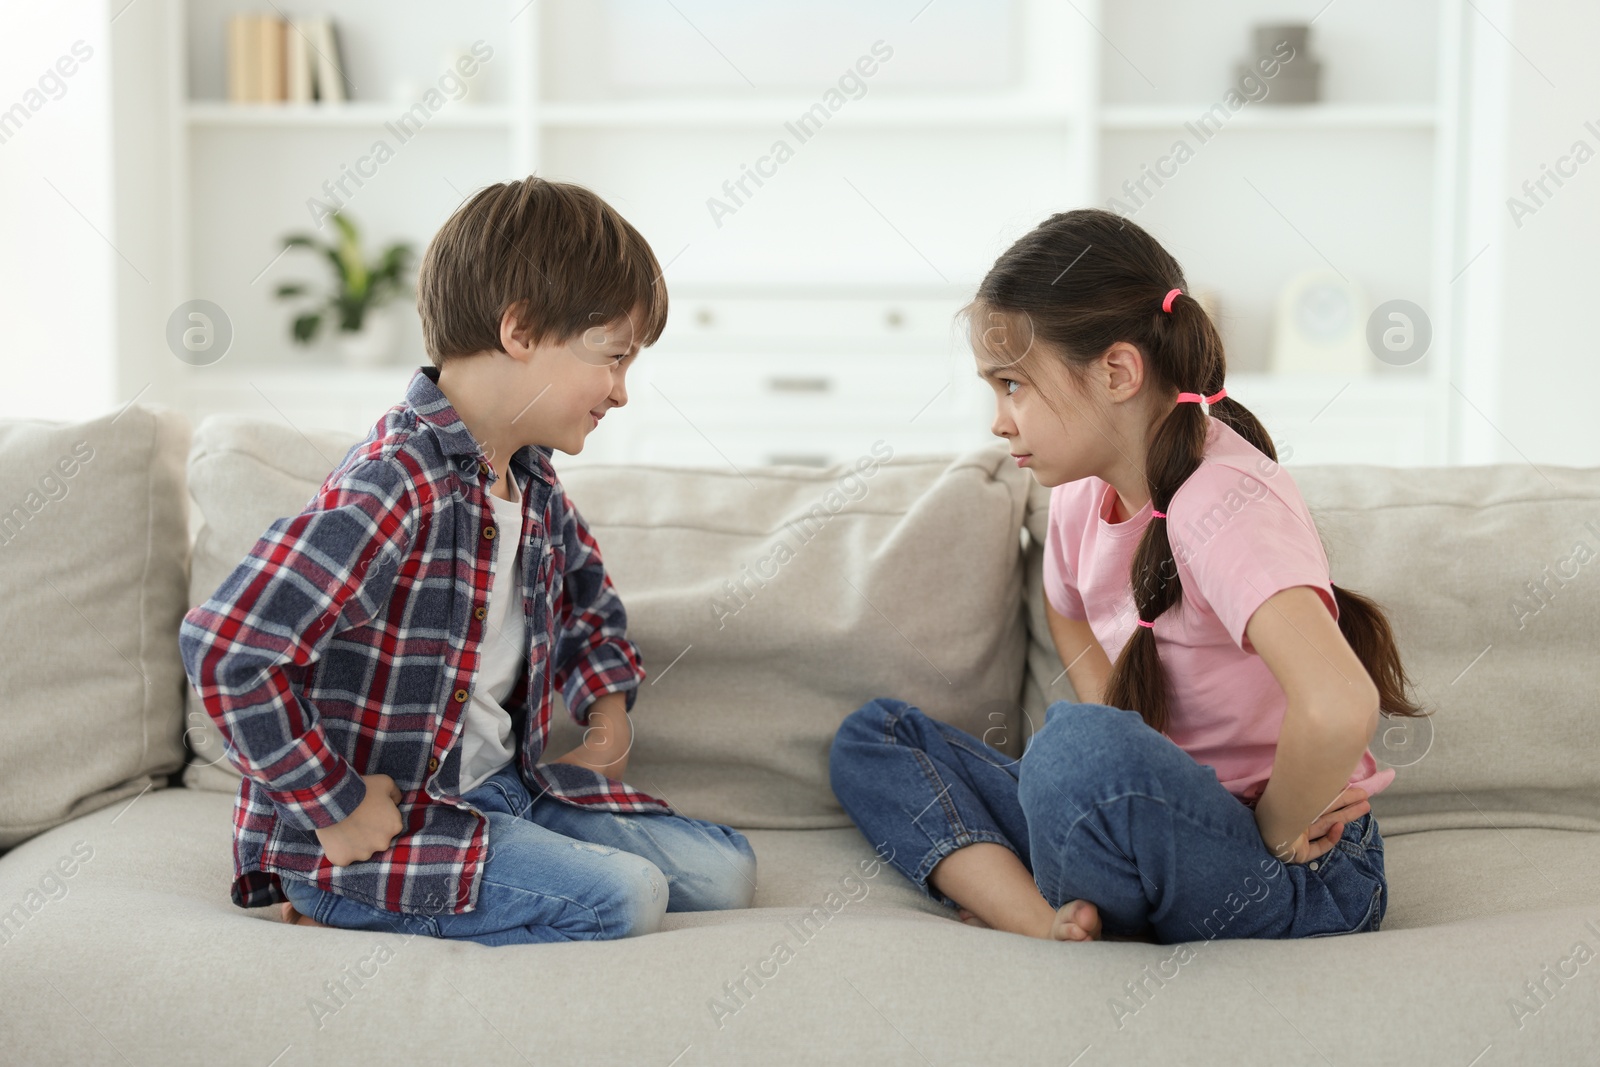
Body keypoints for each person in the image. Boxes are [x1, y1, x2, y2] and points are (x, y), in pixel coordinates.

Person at [179, 177, 756, 946]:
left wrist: (607, 708)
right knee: (630, 898)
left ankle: (455, 877)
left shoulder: (532, 480)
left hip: (499, 794)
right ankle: (336, 893)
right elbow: (226, 650)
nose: (621, 392)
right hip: (392, 827)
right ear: (520, 331)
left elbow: (589, 602)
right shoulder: (394, 485)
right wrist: (336, 804)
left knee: (729, 873)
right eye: (613, 358)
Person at [829, 208, 1427, 945]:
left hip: (1298, 873)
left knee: (1073, 751)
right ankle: (1045, 918)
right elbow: (1068, 614)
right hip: (1153, 816)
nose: (998, 420)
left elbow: (1337, 702)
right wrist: (1127, 740)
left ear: (1116, 370)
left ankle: (1063, 891)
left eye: (1013, 385)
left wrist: (1274, 828)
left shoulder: (1224, 498)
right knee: (877, 735)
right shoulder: (1080, 491)